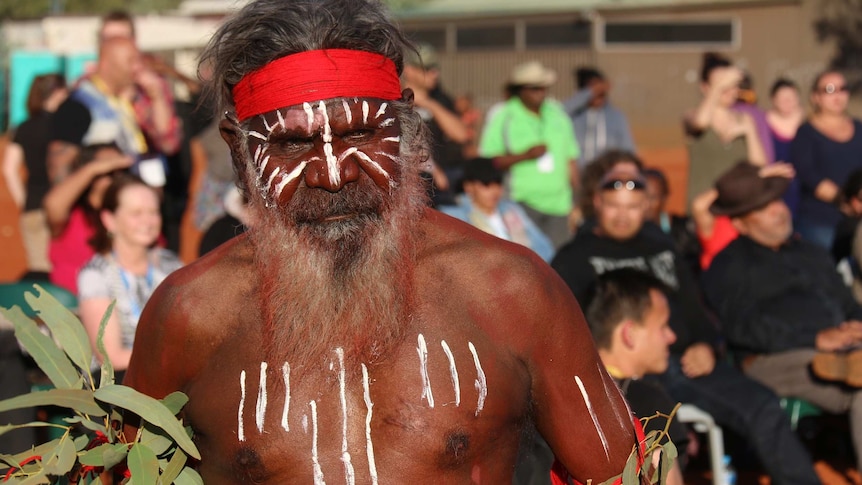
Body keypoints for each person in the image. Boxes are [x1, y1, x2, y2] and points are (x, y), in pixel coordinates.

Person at [121, 1, 644, 484]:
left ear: (405, 124)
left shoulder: (511, 291)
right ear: (239, 152)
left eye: (359, 135)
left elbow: (623, 476)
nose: (332, 175)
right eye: (293, 144)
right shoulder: (189, 315)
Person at [551, 169, 821, 485]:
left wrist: (707, 345)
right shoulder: (573, 258)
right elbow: (565, 330)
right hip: (620, 372)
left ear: (647, 205)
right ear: (597, 203)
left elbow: (696, 309)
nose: (624, 216)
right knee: (653, 427)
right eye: (614, 206)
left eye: (634, 206)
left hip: (686, 361)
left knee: (762, 405)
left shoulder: (662, 247)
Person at [702, 160, 862, 478]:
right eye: (764, 208)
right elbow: (742, 328)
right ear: (741, 223)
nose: (779, 210)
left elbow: (846, 301)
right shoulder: (729, 265)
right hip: (776, 358)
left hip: (842, 347)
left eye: (776, 201)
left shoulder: (811, 252)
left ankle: (853, 362)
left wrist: (856, 322)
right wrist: (815, 338)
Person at [584, 269, 686, 485]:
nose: (672, 336)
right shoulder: (648, 401)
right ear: (629, 334)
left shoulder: (561, 392)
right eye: (663, 326)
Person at [77, 174, 181, 382]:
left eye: (153, 212)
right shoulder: (96, 274)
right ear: (109, 220)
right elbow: (111, 357)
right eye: (136, 213)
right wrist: (176, 360)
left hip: (168, 376)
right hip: (114, 386)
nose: (148, 221)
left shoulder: (172, 265)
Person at [480, 61, 581, 249]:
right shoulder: (504, 116)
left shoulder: (558, 115)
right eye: (534, 88)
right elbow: (488, 161)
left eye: (543, 87)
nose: (540, 92)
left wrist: (578, 199)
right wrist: (525, 156)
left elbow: (571, 160)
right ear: (520, 90)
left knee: (559, 264)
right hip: (520, 204)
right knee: (527, 263)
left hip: (560, 205)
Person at [47, 37, 145, 186]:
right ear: (106, 63)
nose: (138, 67)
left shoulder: (122, 101)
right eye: (130, 61)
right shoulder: (78, 104)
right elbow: (60, 167)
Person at [42, 144, 133, 294]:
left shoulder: (130, 215)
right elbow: (52, 205)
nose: (116, 177)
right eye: (108, 171)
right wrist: (95, 168)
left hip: (121, 306)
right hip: (72, 308)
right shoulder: (73, 214)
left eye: (122, 172)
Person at [2, 73, 68, 276]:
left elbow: (8, 169)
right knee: (66, 271)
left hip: (33, 206)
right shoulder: (65, 127)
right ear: (57, 93)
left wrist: (25, 202)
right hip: (64, 208)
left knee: (40, 273)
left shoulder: (24, 127)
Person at [790, 70, 862, 250]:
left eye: (842, 88)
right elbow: (809, 175)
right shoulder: (805, 134)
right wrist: (845, 201)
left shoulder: (859, 128)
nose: (837, 95)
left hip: (858, 222)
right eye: (829, 89)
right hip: (820, 222)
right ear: (816, 97)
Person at [684, 52, 767, 209]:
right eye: (722, 85)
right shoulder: (692, 115)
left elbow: (758, 164)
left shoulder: (745, 119)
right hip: (704, 208)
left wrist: (749, 131)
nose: (729, 90)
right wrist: (718, 87)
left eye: (732, 85)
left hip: (736, 206)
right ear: (705, 87)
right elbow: (700, 123)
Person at [440, 158, 554, 262]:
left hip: (527, 275)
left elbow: (543, 246)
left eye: (497, 184)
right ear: (468, 186)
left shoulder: (511, 209)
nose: (494, 191)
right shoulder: (454, 217)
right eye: (486, 185)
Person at [401, 43, 468, 206]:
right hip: (411, 185)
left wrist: (428, 103)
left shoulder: (440, 98)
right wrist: (433, 167)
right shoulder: (396, 99)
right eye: (428, 68)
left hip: (442, 186)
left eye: (436, 68)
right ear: (409, 70)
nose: (435, 74)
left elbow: (461, 135)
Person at [564, 67, 636, 168]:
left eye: (601, 93)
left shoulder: (616, 117)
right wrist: (590, 93)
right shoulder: (573, 116)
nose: (598, 96)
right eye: (594, 92)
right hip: (579, 173)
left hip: (605, 173)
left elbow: (628, 148)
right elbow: (559, 112)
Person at [642, 168, 701, 278]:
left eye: (653, 198)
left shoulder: (686, 232)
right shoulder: (626, 234)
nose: (647, 205)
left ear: (664, 198)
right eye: (642, 198)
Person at [766, 78, 805, 215]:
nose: (788, 102)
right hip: (773, 186)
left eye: (792, 98)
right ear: (773, 99)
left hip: (803, 186)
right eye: (783, 98)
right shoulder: (762, 124)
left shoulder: (809, 123)